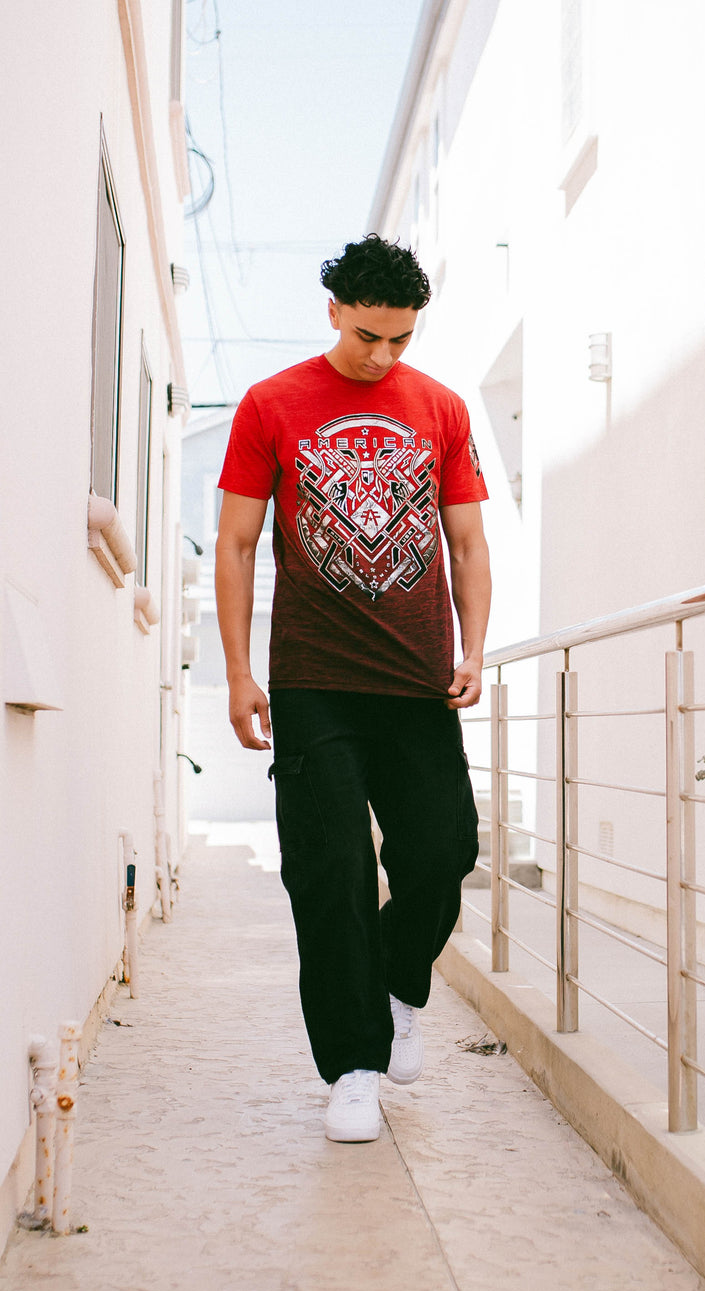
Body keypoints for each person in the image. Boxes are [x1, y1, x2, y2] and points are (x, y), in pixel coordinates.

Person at [214, 233, 490, 1143]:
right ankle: (353, 1066)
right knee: (328, 874)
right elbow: (239, 544)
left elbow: (468, 544)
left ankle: (400, 984)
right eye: (369, 334)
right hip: (315, 682)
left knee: (444, 850)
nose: (382, 356)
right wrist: (239, 671)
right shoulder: (270, 404)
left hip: (417, 683)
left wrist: (475, 649)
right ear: (334, 309)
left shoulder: (442, 409)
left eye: (401, 339)